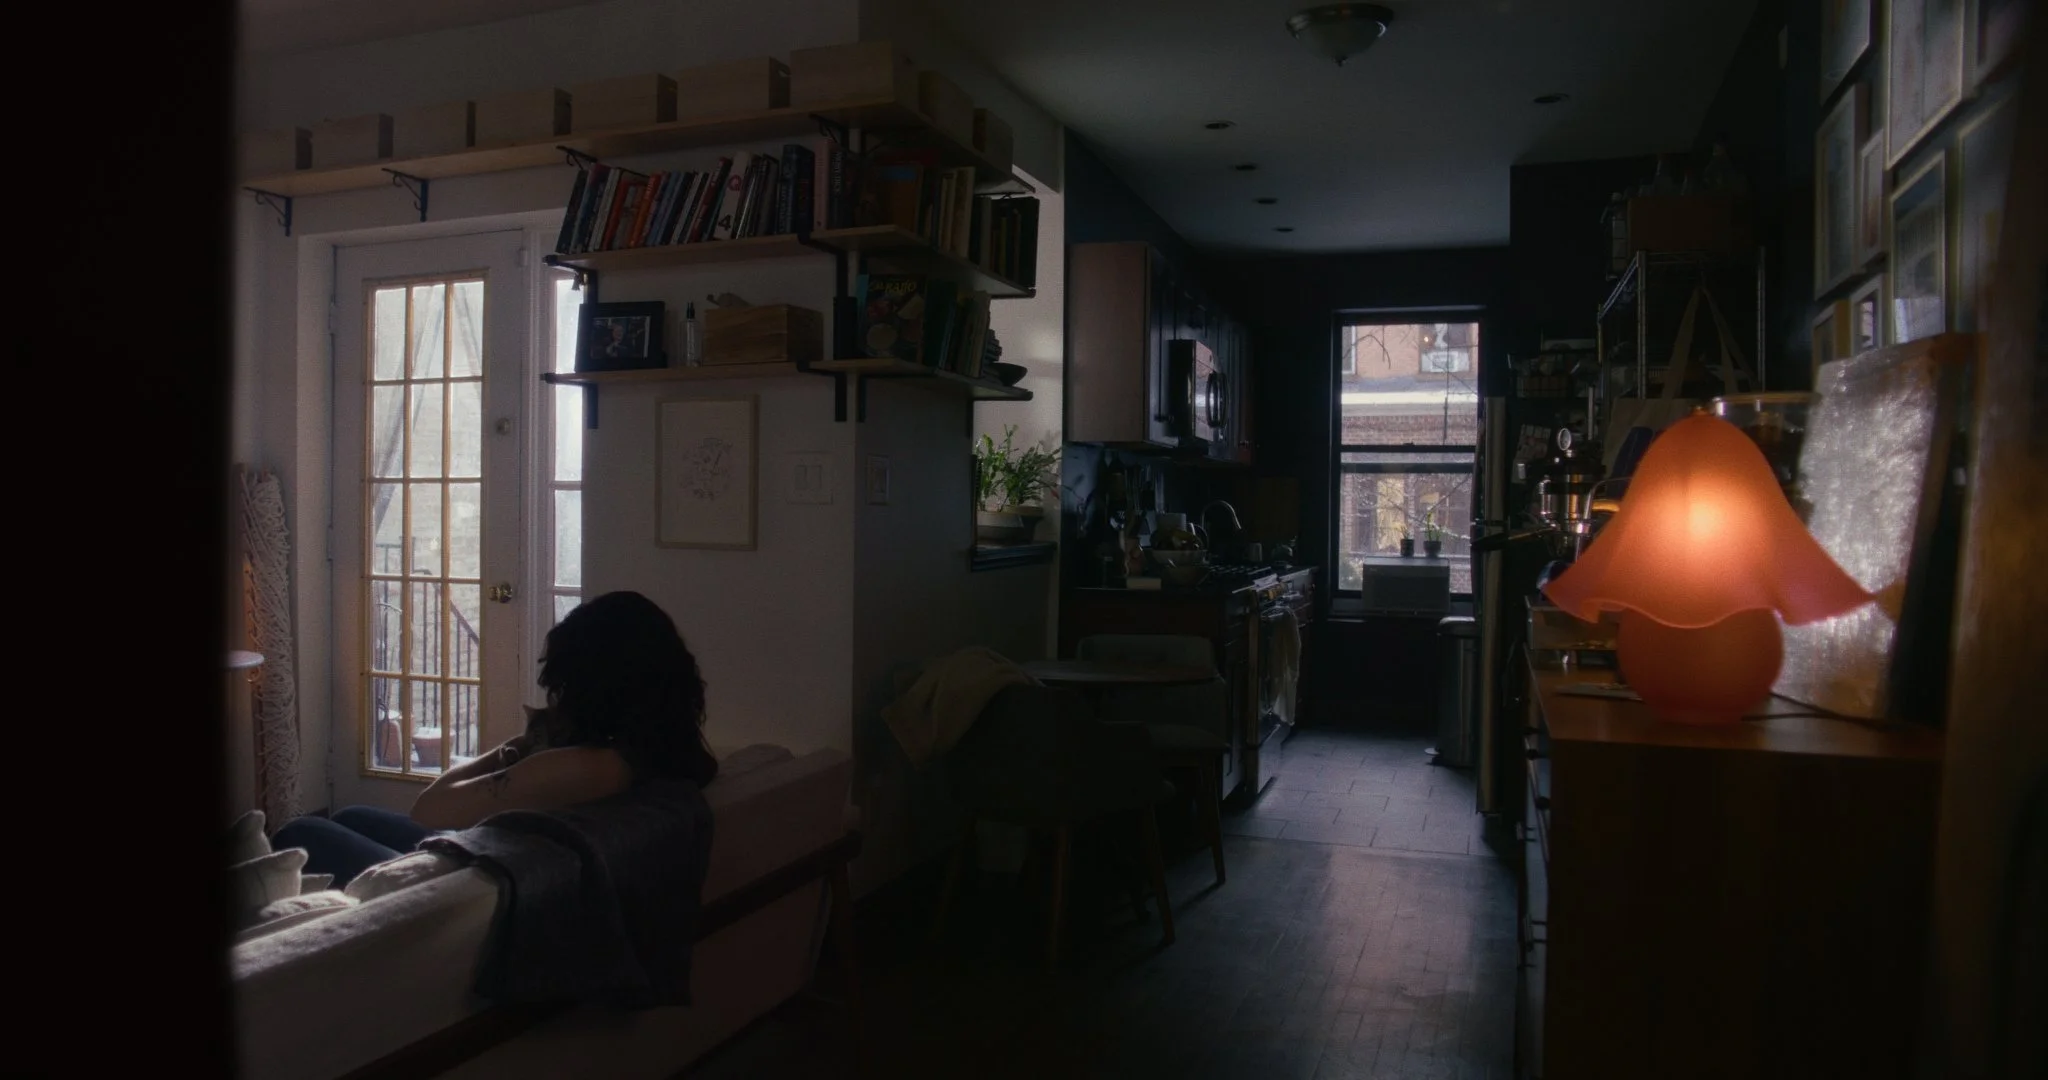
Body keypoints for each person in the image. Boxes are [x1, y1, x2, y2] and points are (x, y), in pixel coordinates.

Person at [271, 592, 719, 886]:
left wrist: (517, 748)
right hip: (509, 865)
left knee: (300, 830)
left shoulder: (582, 767)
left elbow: (429, 808)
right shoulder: (668, 752)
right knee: (351, 814)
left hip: (467, 886)